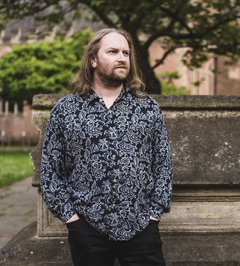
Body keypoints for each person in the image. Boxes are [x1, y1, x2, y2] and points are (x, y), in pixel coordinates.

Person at [40, 28, 173, 266]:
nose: (122, 58)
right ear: (93, 59)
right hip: (88, 231)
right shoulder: (66, 109)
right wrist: (73, 220)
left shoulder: (147, 108)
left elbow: (163, 164)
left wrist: (154, 215)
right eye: (112, 51)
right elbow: (50, 172)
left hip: (141, 227)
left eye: (126, 52)